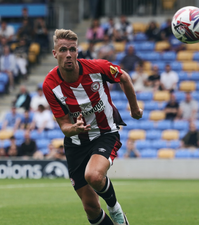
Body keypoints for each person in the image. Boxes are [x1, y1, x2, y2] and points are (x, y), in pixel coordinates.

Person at [43, 29, 143, 225]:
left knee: (94, 176)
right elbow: (64, 125)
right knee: (91, 207)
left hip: (105, 133)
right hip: (75, 143)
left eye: (72, 49)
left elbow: (124, 77)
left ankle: (115, 210)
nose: (69, 54)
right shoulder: (50, 85)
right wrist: (75, 128)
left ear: (78, 51)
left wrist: (134, 109)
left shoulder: (98, 68)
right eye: (63, 50)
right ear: (55, 54)